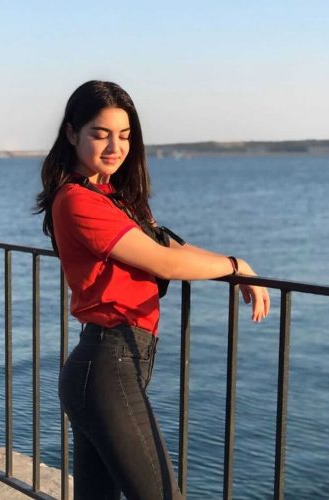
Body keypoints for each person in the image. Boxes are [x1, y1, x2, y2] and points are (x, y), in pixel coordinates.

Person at [36, 80, 270, 500]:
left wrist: (236, 267)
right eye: (100, 134)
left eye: (124, 135)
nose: (115, 147)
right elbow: (164, 264)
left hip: (113, 365)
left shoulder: (115, 197)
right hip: (107, 365)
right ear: (71, 134)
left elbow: (169, 246)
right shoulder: (77, 200)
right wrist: (235, 265)